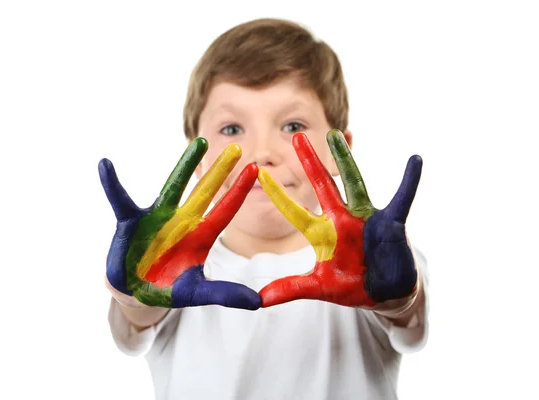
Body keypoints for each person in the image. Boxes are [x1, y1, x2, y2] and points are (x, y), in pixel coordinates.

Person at [100, 18, 429, 400]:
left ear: (341, 149)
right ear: (196, 156)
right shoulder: (172, 264)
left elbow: (411, 328)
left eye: (292, 125)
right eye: (232, 129)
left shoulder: (374, 261)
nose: (261, 152)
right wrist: (134, 296)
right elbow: (130, 333)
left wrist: (397, 301)